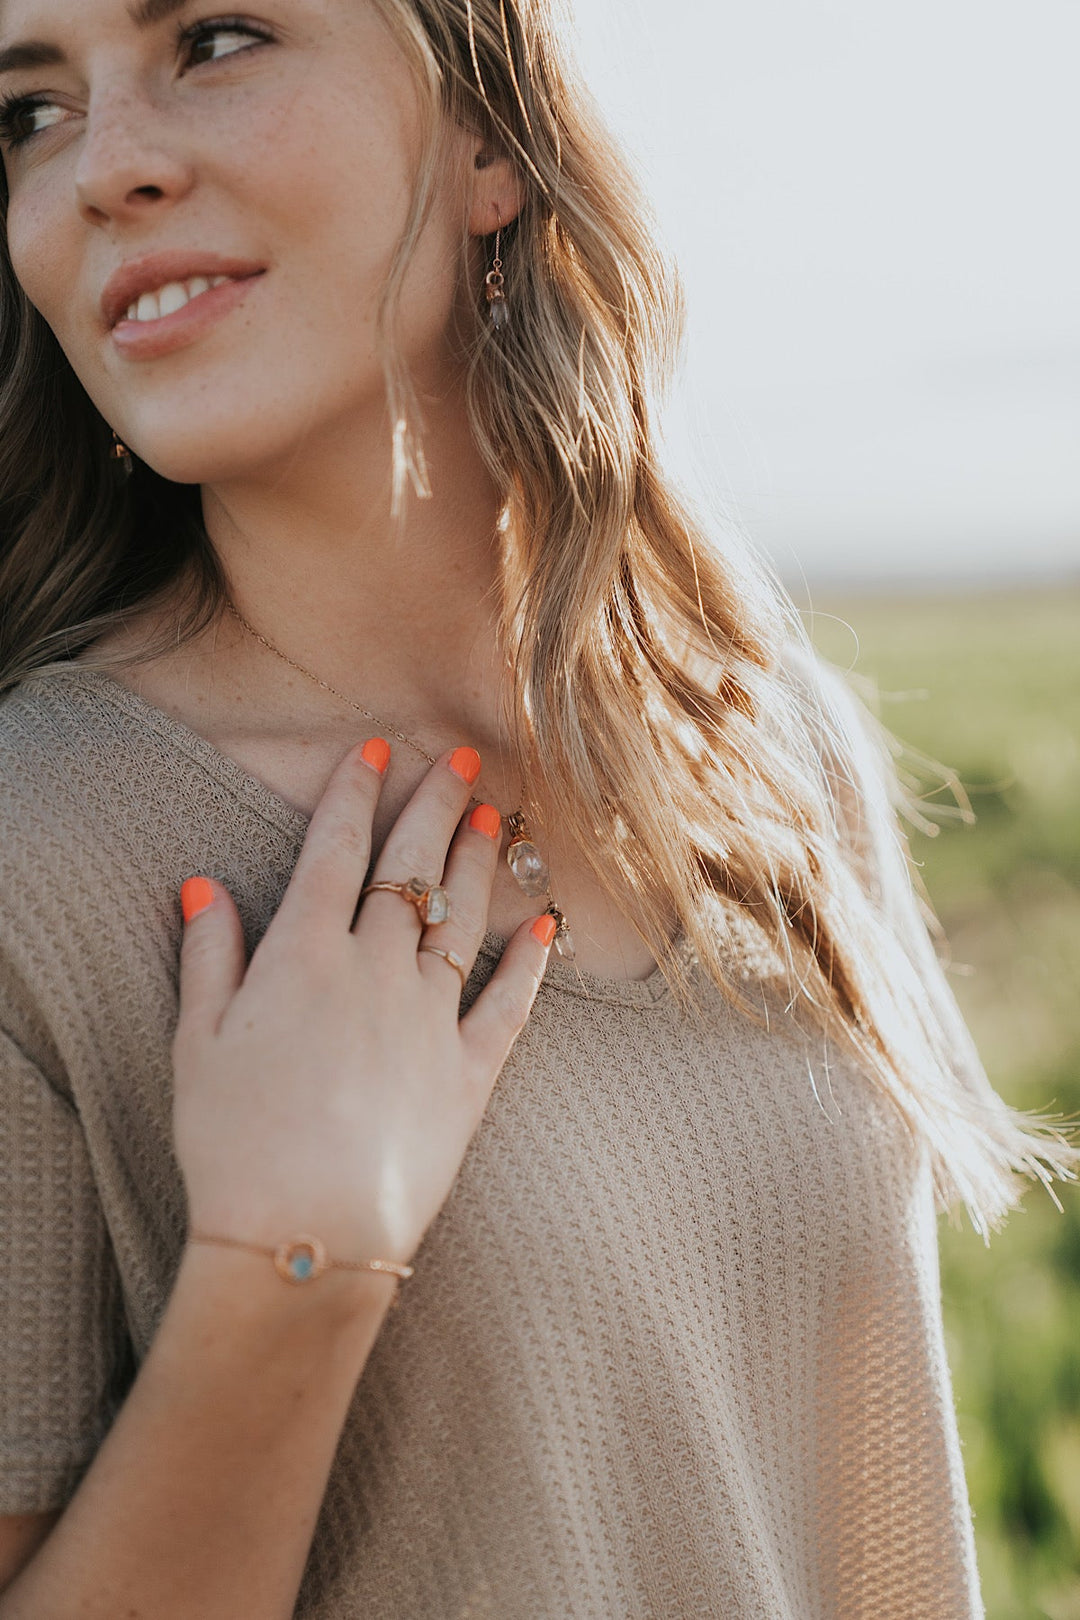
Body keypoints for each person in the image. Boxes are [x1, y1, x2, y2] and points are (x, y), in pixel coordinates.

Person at [0, 1, 1073, 1615]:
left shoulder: (762, 748)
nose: (104, 166)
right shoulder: (39, 860)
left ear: (489, 138)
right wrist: (284, 1270)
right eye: (28, 110)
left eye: (213, 38)